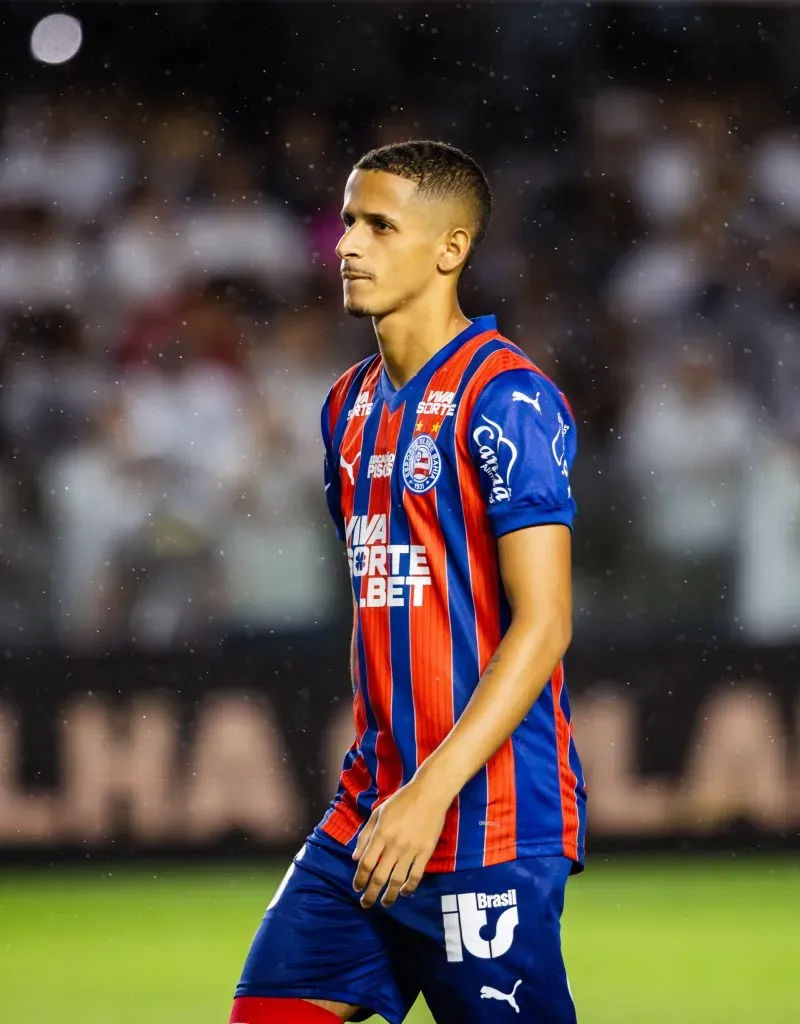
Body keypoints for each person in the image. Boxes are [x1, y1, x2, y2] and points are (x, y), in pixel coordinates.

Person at [229, 141, 586, 1024]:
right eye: (348, 221)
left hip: (485, 822)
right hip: (372, 812)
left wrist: (431, 794)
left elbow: (543, 624)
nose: (348, 243)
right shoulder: (345, 406)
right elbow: (388, 597)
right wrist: (396, 788)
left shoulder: (509, 399)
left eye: (379, 225)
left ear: (450, 248)